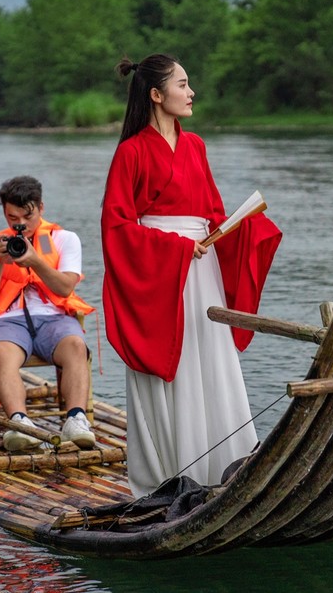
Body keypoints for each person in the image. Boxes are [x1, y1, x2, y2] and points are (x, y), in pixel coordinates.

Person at [101, 55, 281, 497]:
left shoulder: (195, 145)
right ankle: (175, 475)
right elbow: (117, 227)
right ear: (156, 95)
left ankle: (227, 466)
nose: (191, 91)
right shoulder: (131, 152)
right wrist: (177, 248)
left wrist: (243, 227)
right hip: (164, 271)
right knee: (176, 364)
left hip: (202, 268)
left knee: (211, 359)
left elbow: (212, 212)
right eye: (182, 84)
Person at [0, 176, 96, 452]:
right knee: (1, 353)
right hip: (8, 320)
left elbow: (65, 288)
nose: (21, 225)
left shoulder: (65, 239)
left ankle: (76, 419)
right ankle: (20, 422)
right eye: (12, 218)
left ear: (41, 207)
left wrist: (36, 261)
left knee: (76, 345)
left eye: (27, 217)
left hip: (54, 317)